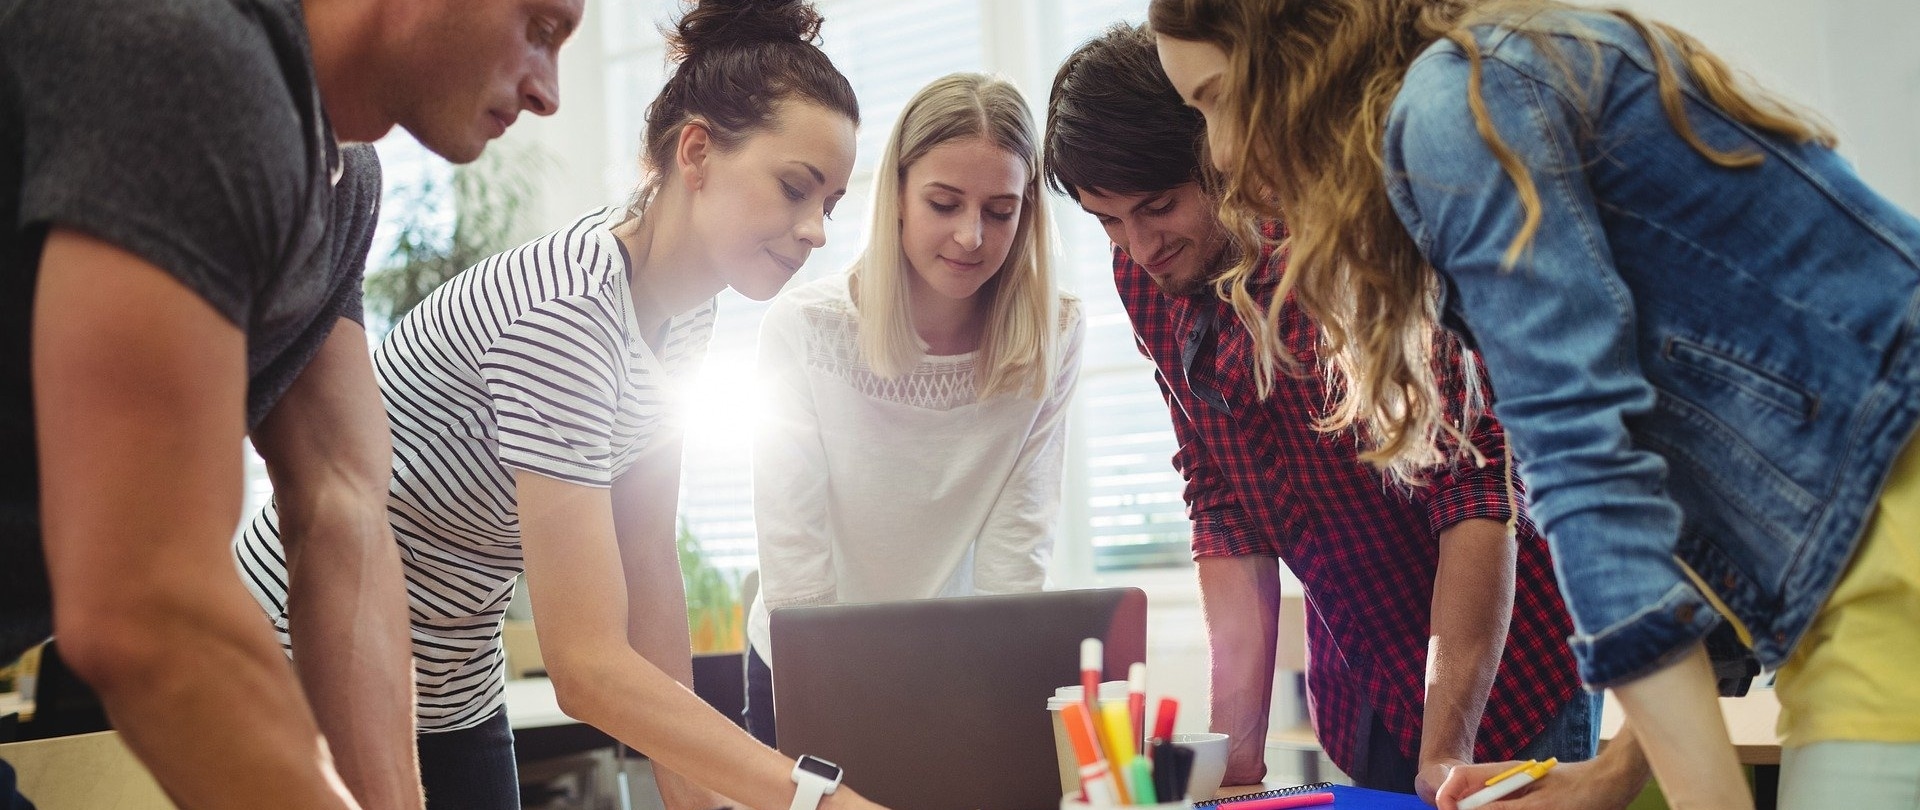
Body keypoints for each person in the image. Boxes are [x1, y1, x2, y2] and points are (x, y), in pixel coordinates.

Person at [1149, 1, 1920, 809]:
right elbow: (1700, 469)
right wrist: (1617, 775)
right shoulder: (1497, 77)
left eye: (1215, 97)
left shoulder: (1457, 113)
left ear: (1294, 46)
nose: (1224, 152)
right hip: (1843, 585)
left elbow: (1592, 478)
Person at [232, 1, 892, 808]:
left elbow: (647, 562)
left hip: (455, 686)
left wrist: (697, 800)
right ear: (696, 152)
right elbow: (584, 666)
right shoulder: (566, 310)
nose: (816, 230)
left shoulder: (686, 310)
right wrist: (814, 799)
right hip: (299, 655)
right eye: (795, 189)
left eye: (829, 203)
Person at [1, 0, 576, 806]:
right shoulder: (192, 57)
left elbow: (343, 510)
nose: (551, 91)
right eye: (542, 28)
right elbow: (146, 604)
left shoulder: (339, 183)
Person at [1043, 24, 1588, 802]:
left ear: (1221, 151)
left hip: (1504, 671)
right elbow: (1221, 500)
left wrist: (1446, 754)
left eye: (1157, 206)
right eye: (1107, 220)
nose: (1137, 246)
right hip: (1362, 676)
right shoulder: (1146, 273)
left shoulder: (1342, 244)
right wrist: (1232, 762)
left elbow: (1472, 491)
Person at [745, 72, 1085, 747]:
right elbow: (795, 559)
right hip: (806, 659)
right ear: (897, 196)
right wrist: (847, 703)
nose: (971, 237)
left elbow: (1018, 549)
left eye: (1000, 210)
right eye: (944, 203)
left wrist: (982, 693)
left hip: (958, 663)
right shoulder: (806, 329)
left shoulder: (1055, 333)